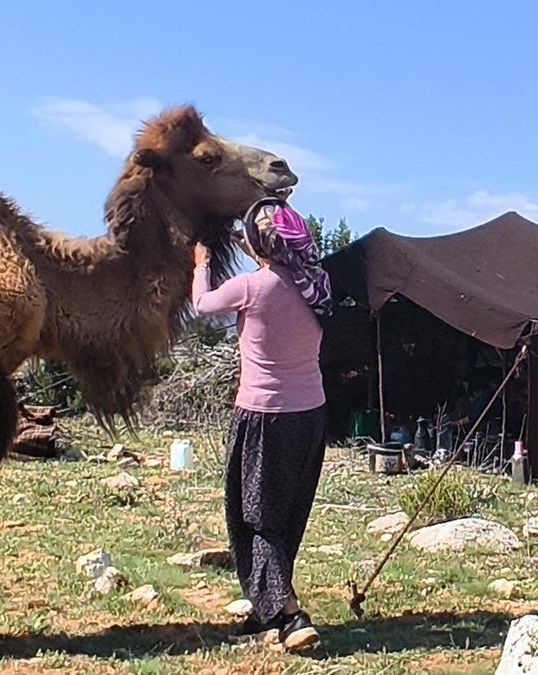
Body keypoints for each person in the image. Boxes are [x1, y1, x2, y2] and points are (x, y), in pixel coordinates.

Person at [190, 200, 329, 651]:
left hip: (264, 416)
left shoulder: (249, 287)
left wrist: (201, 264)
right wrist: (258, 248)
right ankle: (265, 604)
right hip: (310, 415)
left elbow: (202, 305)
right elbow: (280, 273)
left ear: (259, 246)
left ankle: (290, 614)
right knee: (286, 514)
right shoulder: (315, 284)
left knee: (253, 515)